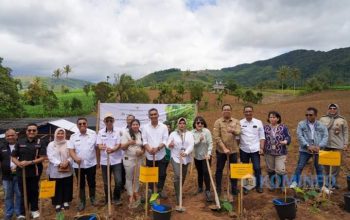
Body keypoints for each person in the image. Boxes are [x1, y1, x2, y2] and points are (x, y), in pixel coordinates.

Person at [11, 123, 46, 219]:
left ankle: (34, 210)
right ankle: (22, 212)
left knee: (34, 191)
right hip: (21, 172)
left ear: (37, 132)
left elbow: (43, 157)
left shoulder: (40, 142)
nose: (31, 132)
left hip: (35, 171)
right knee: (23, 192)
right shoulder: (20, 142)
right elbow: (13, 157)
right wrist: (18, 163)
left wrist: (29, 162)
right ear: (26, 131)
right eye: (29, 130)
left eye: (34, 130)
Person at [290, 107, 328, 189]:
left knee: (319, 168)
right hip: (305, 150)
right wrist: (307, 145)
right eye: (306, 115)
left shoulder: (322, 125)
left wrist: (319, 146)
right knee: (300, 166)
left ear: (315, 115)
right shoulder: (301, 124)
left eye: (310, 115)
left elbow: (325, 136)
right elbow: (300, 136)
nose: (308, 116)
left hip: (318, 150)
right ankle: (294, 182)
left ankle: (322, 187)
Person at [68, 118, 98, 211]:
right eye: (80, 124)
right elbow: (71, 150)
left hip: (91, 164)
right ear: (77, 125)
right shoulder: (73, 136)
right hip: (78, 166)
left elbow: (97, 148)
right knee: (81, 183)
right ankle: (82, 201)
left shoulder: (93, 134)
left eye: (84, 123)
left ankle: (92, 198)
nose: (82, 125)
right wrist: (75, 158)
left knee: (92, 182)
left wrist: (99, 161)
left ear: (87, 124)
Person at [213, 104, 241, 197]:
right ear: (222, 111)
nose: (226, 111)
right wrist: (224, 148)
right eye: (225, 109)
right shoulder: (218, 122)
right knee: (219, 170)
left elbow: (239, 132)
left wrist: (233, 131)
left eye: (228, 109)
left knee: (233, 171)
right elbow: (216, 137)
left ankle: (233, 189)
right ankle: (218, 189)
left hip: (233, 151)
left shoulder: (236, 121)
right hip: (221, 151)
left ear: (231, 111)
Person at [167, 117, 194, 211]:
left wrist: (186, 152)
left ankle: (179, 191)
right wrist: (170, 145)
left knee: (183, 177)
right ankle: (178, 197)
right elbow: (168, 144)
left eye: (183, 123)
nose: (182, 125)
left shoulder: (189, 134)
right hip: (175, 157)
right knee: (178, 175)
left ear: (185, 124)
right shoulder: (173, 134)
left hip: (185, 158)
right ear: (178, 124)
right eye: (180, 123)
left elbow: (191, 145)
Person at [319, 104, 348, 189]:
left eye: (334, 108)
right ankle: (326, 182)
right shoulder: (322, 119)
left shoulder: (342, 120)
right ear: (328, 109)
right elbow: (318, 131)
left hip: (337, 145)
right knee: (325, 164)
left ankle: (333, 182)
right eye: (330, 108)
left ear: (337, 109)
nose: (332, 110)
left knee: (336, 165)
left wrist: (345, 143)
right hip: (325, 145)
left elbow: (345, 132)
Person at [96, 113, 123, 205]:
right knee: (106, 182)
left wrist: (113, 150)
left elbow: (118, 144)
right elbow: (99, 144)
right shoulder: (100, 132)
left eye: (110, 120)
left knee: (119, 181)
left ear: (113, 121)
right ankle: (108, 199)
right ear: (104, 122)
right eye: (107, 121)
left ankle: (117, 198)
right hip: (104, 161)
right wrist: (101, 148)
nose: (109, 122)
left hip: (116, 160)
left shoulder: (118, 131)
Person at [142, 108, 169, 198]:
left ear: (158, 115)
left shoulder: (164, 127)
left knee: (162, 174)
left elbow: (165, 140)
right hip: (150, 155)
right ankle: (150, 189)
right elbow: (144, 141)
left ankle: (160, 189)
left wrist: (157, 148)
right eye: (151, 114)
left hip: (161, 155)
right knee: (150, 174)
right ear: (149, 116)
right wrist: (149, 149)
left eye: (155, 114)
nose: (153, 116)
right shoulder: (145, 127)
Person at [238, 105, 265, 193]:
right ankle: (247, 186)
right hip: (244, 149)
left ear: (252, 112)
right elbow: (238, 138)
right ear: (244, 113)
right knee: (246, 168)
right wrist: (237, 149)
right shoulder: (240, 123)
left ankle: (258, 185)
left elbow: (262, 136)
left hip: (255, 149)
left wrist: (261, 148)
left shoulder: (258, 122)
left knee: (257, 168)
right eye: (246, 111)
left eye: (250, 111)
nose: (248, 113)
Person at [46, 128, 73, 212]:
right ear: (55, 134)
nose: (60, 135)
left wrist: (67, 161)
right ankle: (57, 202)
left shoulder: (69, 143)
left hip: (67, 167)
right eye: (58, 133)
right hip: (55, 169)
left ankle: (65, 201)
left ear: (64, 134)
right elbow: (50, 156)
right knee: (56, 186)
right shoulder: (51, 144)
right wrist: (59, 163)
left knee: (67, 185)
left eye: (62, 133)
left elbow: (72, 154)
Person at [263, 111, 291, 191]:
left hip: (281, 152)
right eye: (270, 117)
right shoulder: (265, 128)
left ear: (278, 118)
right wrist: (261, 148)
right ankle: (273, 184)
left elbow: (288, 136)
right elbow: (262, 138)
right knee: (270, 169)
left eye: (274, 117)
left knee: (280, 169)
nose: (272, 119)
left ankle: (281, 185)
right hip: (269, 152)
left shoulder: (283, 127)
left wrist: (285, 141)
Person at [121, 119, 144, 208]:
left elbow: (144, 146)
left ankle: (136, 192)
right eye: (133, 124)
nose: (135, 126)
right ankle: (130, 194)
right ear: (130, 125)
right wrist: (129, 142)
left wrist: (142, 152)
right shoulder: (126, 133)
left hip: (139, 159)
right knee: (129, 177)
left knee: (137, 176)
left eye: (137, 124)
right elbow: (122, 147)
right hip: (129, 159)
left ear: (139, 125)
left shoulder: (141, 134)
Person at [0, 129, 24, 220]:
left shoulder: (22, 146)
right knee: (7, 195)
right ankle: (9, 214)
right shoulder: (2, 147)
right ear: (5, 137)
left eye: (12, 135)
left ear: (16, 136)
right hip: (6, 176)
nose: (10, 137)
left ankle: (18, 213)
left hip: (19, 175)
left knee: (19, 194)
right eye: (8, 136)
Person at [192, 116, 213, 202]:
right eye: (198, 123)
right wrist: (199, 140)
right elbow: (192, 144)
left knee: (206, 172)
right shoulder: (192, 133)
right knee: (200, 172)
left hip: (206, 156)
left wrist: (208, 154)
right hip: (197, 156)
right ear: (195, 124)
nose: (200, 124)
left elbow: (210, 143)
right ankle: (200, 187)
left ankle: (207, 190)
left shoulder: (206, 131)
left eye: (201, 123)